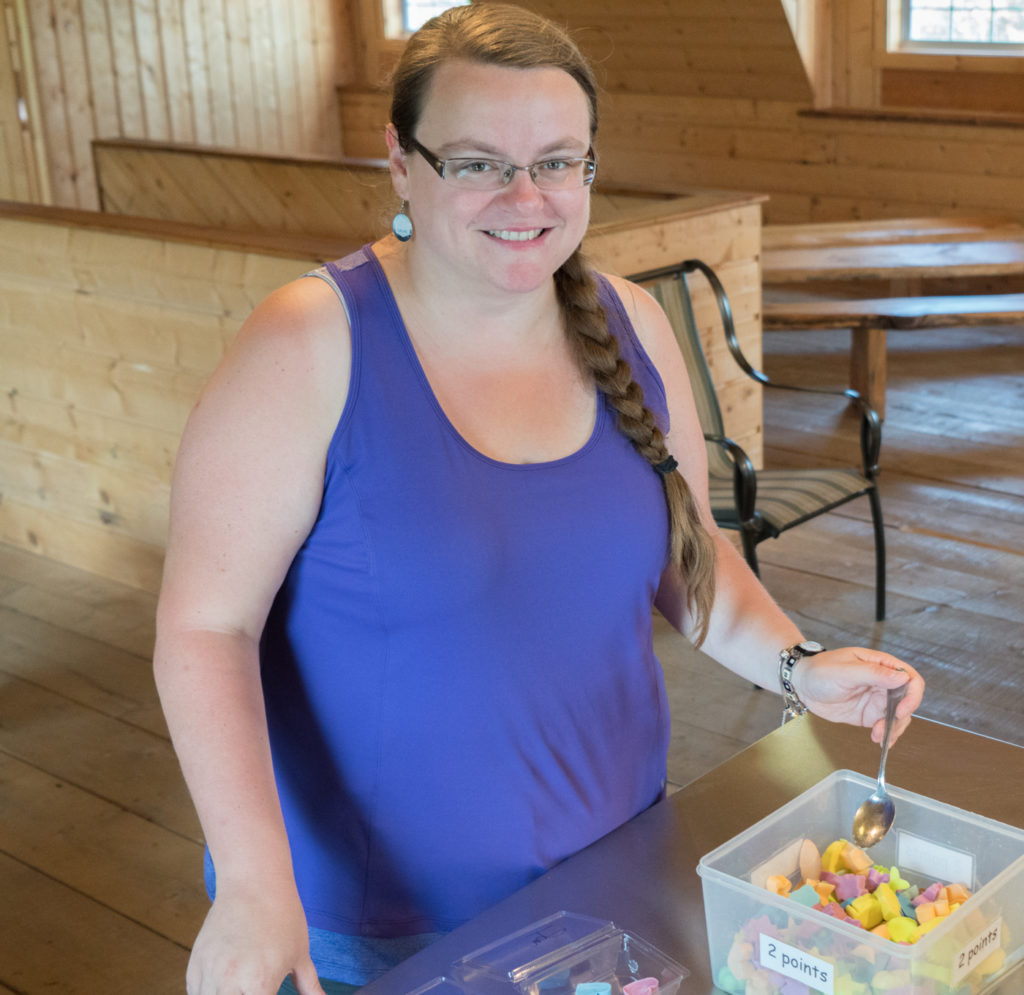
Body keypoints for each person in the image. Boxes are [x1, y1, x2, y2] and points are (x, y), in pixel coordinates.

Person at [152, 5, 925, 994]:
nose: (526, 196)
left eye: (558, 161)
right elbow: (205, 627)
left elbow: (691, 558)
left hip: (612, 880)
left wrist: (798, 664)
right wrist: (255, 884)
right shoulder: (311, 340)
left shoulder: (631, 322)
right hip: (373, 933)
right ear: (401, 161)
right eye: (478, 162)